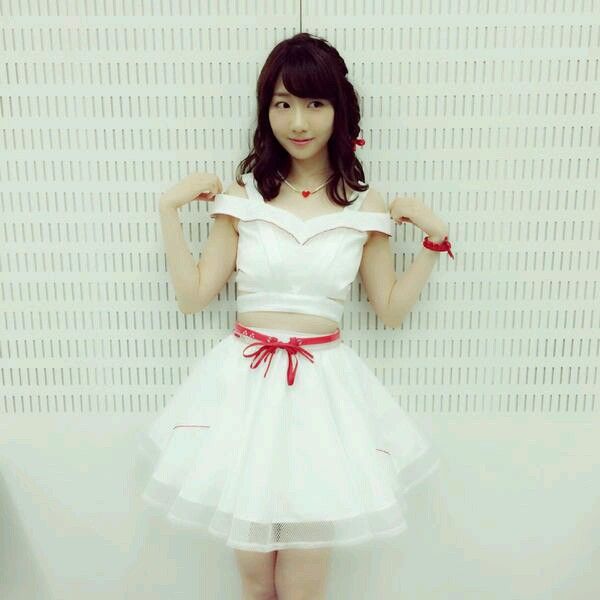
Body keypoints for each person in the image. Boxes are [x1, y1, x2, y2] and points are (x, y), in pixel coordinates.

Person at [138, 32, 453, 600]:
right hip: (246, 392)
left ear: (339, 110)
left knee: (303, 585)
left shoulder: (366, 204)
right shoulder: (243, 197)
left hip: (321, 399)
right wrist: (167, 210)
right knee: (256, 582)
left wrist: (434, 243)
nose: (298, 121)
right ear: (266, 111)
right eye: (283, 104)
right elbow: (194, 295)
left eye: (314, 103)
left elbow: (389, 309)